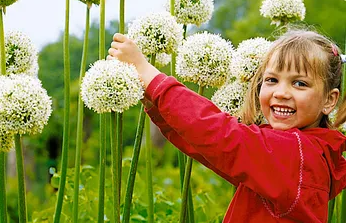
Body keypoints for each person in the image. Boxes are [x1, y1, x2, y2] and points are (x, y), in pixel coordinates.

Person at [108, 29, 346, 222]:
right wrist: (157, 105)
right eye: (271, 80)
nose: (281, 93)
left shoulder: (299, 156)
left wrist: (150, 75)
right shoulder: (298, 152)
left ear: (329, 100)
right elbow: (209, 149)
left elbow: (220, 135)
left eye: (300, 83)